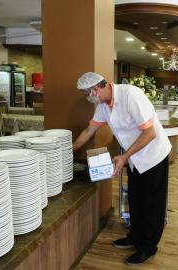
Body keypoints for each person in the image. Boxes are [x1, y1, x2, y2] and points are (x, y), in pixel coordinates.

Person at [73, 72, 171, 266]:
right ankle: (135, 236)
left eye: (87, 93)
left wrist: (124, 156)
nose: (87, 97)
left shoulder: (130, 96)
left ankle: (148, 247)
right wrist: (70, 150)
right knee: (135, 200)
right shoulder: (102, 105)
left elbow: (150, 133)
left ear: (96, 89)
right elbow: (89, 130)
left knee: (151, 205)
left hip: (153, 156)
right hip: (134, 157)